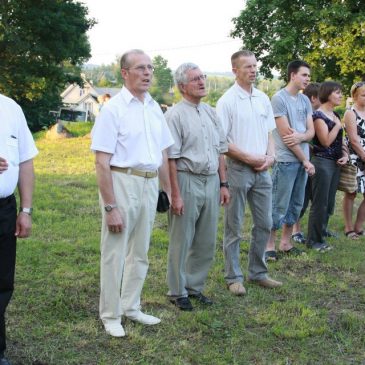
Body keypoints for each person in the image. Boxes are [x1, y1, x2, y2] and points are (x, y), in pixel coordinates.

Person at [91, 49, 174, 337]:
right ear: (125, 73)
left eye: (150, 67)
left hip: (149, 183)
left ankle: (131, 306)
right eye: (141, 68)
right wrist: (110, 205)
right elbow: (101, 162)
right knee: (115, 251)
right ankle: (111, 314)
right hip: (122, 181)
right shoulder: (113, 109)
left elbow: (163, 153)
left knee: (140, 250)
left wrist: (168, 190)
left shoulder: (153, 107)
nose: (148, 72)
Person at [216, 50, 282, 295]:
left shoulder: (263, 98)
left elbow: (269, 134)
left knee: (265, 222)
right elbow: (222, 142)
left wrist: (270, 157)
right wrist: (249, 158)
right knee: (234, 226)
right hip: (238, 169)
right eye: (247, 67)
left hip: (263, 169)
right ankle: (233, 277)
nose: (253, 70)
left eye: (255, 66)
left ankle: (258, 272)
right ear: (235, 70)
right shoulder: (227, 101)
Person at [166, 63, 230, 311]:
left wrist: (224, 183)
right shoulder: (174, 115)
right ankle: (176, 290)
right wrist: (175, 194)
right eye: (195, 79)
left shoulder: (212, 113)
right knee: (182, 238)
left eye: (203, 77)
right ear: (182, 86)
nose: (202, 82)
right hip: (186, 178)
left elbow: (221, 152)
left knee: (206, 239)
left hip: (212, 180)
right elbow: (171, 158)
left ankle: (194, 287)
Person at [0, 94, 38, 365]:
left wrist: (25, 210)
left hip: (4, 209)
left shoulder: (10, 108)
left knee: (2, 282)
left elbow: (25, 161)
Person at [265, 60, 315, 258]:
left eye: (309, 76)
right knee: (279, 203)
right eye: (304, 75)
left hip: (303, 161)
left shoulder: (305, 101)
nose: (307, 79)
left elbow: (310, 132)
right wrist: (305, 159)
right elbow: (287, 137)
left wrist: (302, 136)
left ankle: (285, 243)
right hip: (286, 160)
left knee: (296, 203)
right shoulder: (279, 99)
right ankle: (269, 246)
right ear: (292, 75)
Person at [306, 81, 348, 251]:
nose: (340, 96)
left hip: (335, 163)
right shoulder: (318, 116)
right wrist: (338, 126)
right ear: (328, 94)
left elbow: (340, 141)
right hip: (322, 163)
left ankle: (322, 232)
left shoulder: (335, 114)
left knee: (329, 202)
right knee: (320, 203)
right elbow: (325, 142)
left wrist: (345, 155)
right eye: (337, 93)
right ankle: (314, 241)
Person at [291, 82, 321, 244]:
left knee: (310, 196)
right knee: (300, 196)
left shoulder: (318, 114)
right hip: (303, 160)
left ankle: (317, 228)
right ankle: (296, 230)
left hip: (314, 160)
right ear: (313, 99)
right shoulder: (303, 115)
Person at [343, 81, 365, 238]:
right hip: (356, 156)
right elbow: (353, 140)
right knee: (351, 193)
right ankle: (348, 227)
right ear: (354, 96)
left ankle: (358, 226)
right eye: (364, 95)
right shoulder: (350, 113)